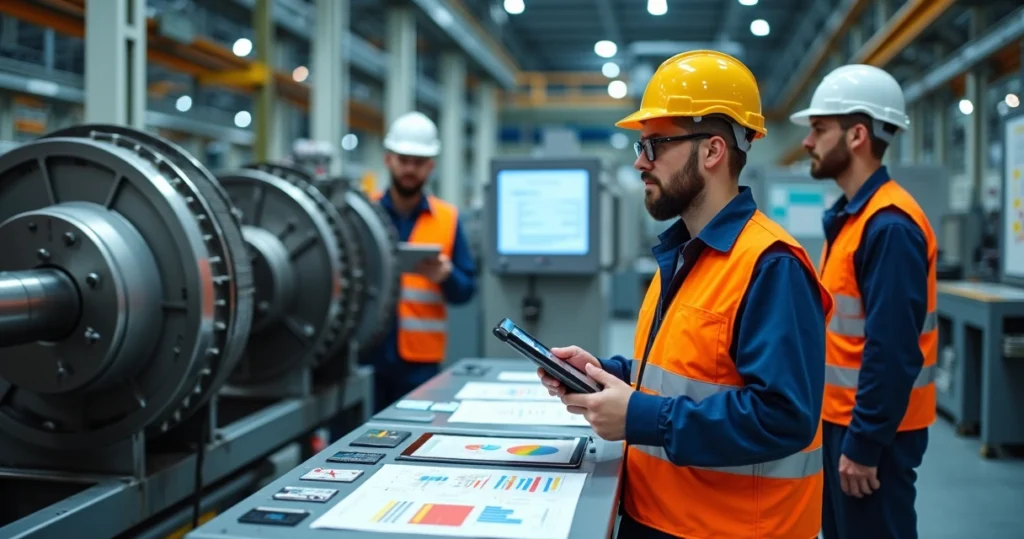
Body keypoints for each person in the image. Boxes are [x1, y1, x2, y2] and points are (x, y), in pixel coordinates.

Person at [537, 50, 834, 539]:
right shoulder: (682, 253)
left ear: (712, 151)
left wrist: (639, 416)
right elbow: (688, 373)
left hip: (730, 530)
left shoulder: (771, 265)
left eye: (655, 145)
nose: (640, 162)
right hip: (660, 514)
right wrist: (605, 373)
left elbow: (784, 419)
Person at [789, 64, 936, 539]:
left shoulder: (889, 225)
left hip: (873, 431)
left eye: (819, 129)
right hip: (845, 420)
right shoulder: (855, 218)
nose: (807, 141)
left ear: (856, 135)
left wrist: (866, 443)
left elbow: (892, 349)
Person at [366, 111, 477, 412]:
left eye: (418, 162)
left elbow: (466, 290)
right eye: (403, 160)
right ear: (388, 159)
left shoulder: (447, 218)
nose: (410, 169)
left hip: (420, 362)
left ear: (431, 166)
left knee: (416, 434)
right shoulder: (365, 213)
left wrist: (446, 275)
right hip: (367, 354)